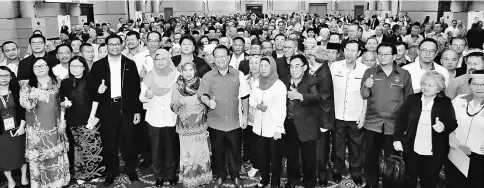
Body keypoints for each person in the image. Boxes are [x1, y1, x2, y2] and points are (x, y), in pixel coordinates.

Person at [88, 34, 142, 186]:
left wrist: (137, 110)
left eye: (117, 44)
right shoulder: (98, 65)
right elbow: (90, 88)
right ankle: (112, 171)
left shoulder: (129, 63)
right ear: (106, 46)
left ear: (122, 45)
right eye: (111, 44)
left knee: (128, 141)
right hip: (107, 108)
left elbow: (135, 88)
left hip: (126, 108)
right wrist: (98, 90)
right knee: (109, 142)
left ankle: (131, 169)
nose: (114, 47)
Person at [361, 43, 413, 188]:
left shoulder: (404, 74)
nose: (382, 57)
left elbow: (409, 99)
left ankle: (389, 184)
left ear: (395, 56)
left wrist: (406, 125)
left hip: (394, 124)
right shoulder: (369, 72)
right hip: (373, 122)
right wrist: (366, 85)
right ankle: (371, 183)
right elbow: (364, 95)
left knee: (392, 158)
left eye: (387, 54)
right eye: (380, 54)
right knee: (370, 155)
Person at [394, 71, 457, 188]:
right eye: (424, 84)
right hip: (413, 147)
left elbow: (452, 123)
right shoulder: (412, 99)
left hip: (435, 150)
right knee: (409, 179)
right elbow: (400, 120)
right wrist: (397, 139)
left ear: (439, 89)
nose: (425, 87)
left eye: (430, 85)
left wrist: (443, 127)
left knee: (429, 180)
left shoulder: (445, 102)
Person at [197, 45, 249, 188]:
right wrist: (208, 102)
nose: (220, 59)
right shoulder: (208, 76)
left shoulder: (239, 74)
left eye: (223, 56)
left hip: (234, 121)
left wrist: (245, 116)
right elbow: (202, 95)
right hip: (215, 121)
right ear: (213, 58)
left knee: (235, 150)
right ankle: (220, 175)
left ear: (228, 57)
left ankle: (235, 175)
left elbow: (244, 96)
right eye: (217, 56)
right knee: (217, 151)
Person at [20, 57, 70, 188]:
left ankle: (58, 181)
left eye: (43, 65)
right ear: (32, 70)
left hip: (55, 124)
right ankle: (40, 183)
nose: (40, 68)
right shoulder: (27, 85)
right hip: (36, 128)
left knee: (56, 154)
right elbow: (24, 104)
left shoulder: (58, 81)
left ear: (48, 67)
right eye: (36, 66)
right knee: (39, 157)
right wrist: (30, 97)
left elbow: (63, 103)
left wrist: (63, 120)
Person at [59, 56, 105, 182]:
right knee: (79, 147)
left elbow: (96, 99)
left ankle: (95, 173)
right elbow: (61, 102)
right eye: (72, 66)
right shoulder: (65, 82)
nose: (75, 69)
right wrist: (65, 104)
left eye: (78, 66)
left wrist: (92, 115)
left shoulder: (91, 80)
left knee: (93, 145)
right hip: (73, 118)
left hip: (90, 116)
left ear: (84, 67)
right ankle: (81, 175)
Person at [139, 49, 180, 187]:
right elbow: (141, 97)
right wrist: (147, 95)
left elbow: (182, 95)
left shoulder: (177, 75)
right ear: (154, 61)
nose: (161, 62)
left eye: (163, 59)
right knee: (156, 150)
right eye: (157, 59)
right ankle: (159, 176)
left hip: (171, 118)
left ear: (168, 59)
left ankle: (171, 174)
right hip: (154, 118)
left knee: (171, 149)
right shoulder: (149, 76)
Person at [330, 40, 368, 186]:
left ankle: (356, 172)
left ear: (359, 53)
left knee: (356, 146)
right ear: (343, 51)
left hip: (355, 115)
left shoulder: (365, 69)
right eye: (347, 50)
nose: (350, 53)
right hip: (338, 114)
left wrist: (363, 113)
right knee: (338, 146)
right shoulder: (335, 66)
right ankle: (338, 170)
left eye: (354, 51)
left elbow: (366, 94)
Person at [171, 61, 213, 188]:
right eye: (185, 70)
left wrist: (204, 104)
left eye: (191, 70)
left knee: (201, 152)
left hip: (199, 124)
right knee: (188, 153)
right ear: (181, 72)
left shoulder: (202, 83)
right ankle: (190, 179)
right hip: (185, 125)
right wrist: (178, 104)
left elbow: (207, 101)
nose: (188, 73)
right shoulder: (177, 86)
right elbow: (173, 105)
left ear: (195, 70)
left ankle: (203, 177)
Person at [284, 54, 321, 188]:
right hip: (290, 124)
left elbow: (316, 97)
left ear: (305, 67)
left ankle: (309, 182)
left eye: (297, 66)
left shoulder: (312, 80)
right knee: (292, 155)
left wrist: (300, 96)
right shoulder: (285, 80)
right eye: (291, 66)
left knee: (309, 157)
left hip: (307, 125)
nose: (294, 69)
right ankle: (293, 180)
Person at [249, 56, 286, 188]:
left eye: (266, 65)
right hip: (259, 126)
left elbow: (282, 109)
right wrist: (257, 106)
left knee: (275, 158)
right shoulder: (257, 82)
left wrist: (278, 128)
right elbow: (251, 100)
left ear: (273, 67)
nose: (263, 68)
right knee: (261, 156)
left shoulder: (279, 85)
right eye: (261, 65)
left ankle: (275, 182)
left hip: (273, 127)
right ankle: (264, 180)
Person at [446, 70, 484, 188]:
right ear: (469, 85)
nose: (479, 87)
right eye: (475, 84)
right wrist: (451, 136)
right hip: (457, 152)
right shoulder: (459, 100)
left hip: (480, 156)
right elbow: (447, 119)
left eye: (483, 84)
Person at [308, 46, 334, 186]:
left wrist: (324, 123)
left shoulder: (323, 73)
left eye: (310, 55)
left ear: (314, 58)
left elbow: (326, 100)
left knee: (321, 150)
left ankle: (322, 175)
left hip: (320, 120)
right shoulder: (319, 70)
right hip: (314, 118)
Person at [0, 66, 28, 188]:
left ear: (11, 77)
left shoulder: (17, 90)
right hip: (1, 130)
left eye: (6, 75)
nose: (3, 78)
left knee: (21, 152)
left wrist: (22, 126)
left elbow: (23, 110)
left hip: (17, 126)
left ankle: (23, 177)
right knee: (3, 155)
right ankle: (10, 179)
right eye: (0, 76)